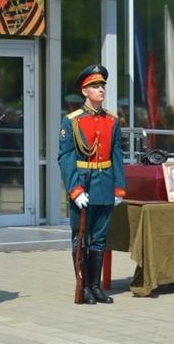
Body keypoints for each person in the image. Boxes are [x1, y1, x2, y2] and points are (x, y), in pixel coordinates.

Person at [58, 64, 126, 304]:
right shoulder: (72, 121)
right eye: (95, 86)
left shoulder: (112, 120)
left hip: (105, 183)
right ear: (85, 91)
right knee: (81, 237)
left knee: (99, 237)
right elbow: (66, 157)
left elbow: (117, 153)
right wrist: (75, 189)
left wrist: (120, 187)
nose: (101, 90)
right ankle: (83, 285)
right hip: (83, 185)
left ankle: (95, 286)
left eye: (102, 86)